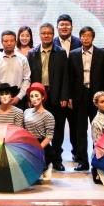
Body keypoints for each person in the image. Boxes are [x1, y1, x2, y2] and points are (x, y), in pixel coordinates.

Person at [27, 22, 68, 171]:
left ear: (53, 34)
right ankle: (39, 158)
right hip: (37, 95)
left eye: (49, 33)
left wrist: (64, 96)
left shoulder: (61, 52)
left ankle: (57, 159)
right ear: (39, 35)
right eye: (43, 33)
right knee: (38, 129)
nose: (46, 36)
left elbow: (65, 76)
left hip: (56, 94)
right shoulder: (32, 53)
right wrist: (30, 98)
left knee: (57, 128)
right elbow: (29, 77)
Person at [68, 26, 104, 172]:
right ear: (80, 38)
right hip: (79, 96)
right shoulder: (73, 54)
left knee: (98, 128)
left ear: (93, 37)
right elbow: (70, 77)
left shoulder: (102, 54)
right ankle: (83, 161)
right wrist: (69, 97)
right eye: (83, 36)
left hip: (97, 96)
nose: (86, 38)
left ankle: (97, 159)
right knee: (80, 130)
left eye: (88, 36)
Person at [52, 14, 81, 158]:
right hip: (58, 94)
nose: (64, 27)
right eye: (61, 25)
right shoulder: (51, 43)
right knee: (58, 127)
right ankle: (57, 156)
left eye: (67, 25)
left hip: (76, 93)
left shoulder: (79, 42)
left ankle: (77, 154)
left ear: (72, 27)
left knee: (76, 126)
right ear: (57, 27)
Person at [0, 30, 31, 109]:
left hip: (18, 98)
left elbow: (27, 80)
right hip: (0, 97)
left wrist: (19, 97)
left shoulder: (23, 59)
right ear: (2, 42)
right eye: (6, 41)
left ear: (15, 42)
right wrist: (1, 96)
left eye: (12, 41)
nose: (9, 43)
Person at [23, 82, 56, 181]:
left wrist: (37, 148)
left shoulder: (48, 115)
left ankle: (47, 165)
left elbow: (49, 136)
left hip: (41, 144)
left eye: (37, 96)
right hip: (28, 143)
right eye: (32, 96)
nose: (34, 98)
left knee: (38, 177)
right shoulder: (27, 111)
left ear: (42, 97)